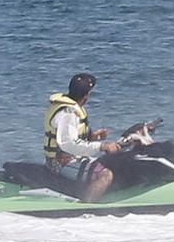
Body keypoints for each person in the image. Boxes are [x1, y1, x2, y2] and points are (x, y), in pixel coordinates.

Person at [43, 73, 132, 201]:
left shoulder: (70, 109)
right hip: (60, 164)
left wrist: (92, 136)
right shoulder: (68, 113)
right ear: (86, 96)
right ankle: (87, 208)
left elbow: (70, 136)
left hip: (71, 159)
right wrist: (102, 146)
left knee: (114, 162)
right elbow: (69, 144)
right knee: (106, 175)